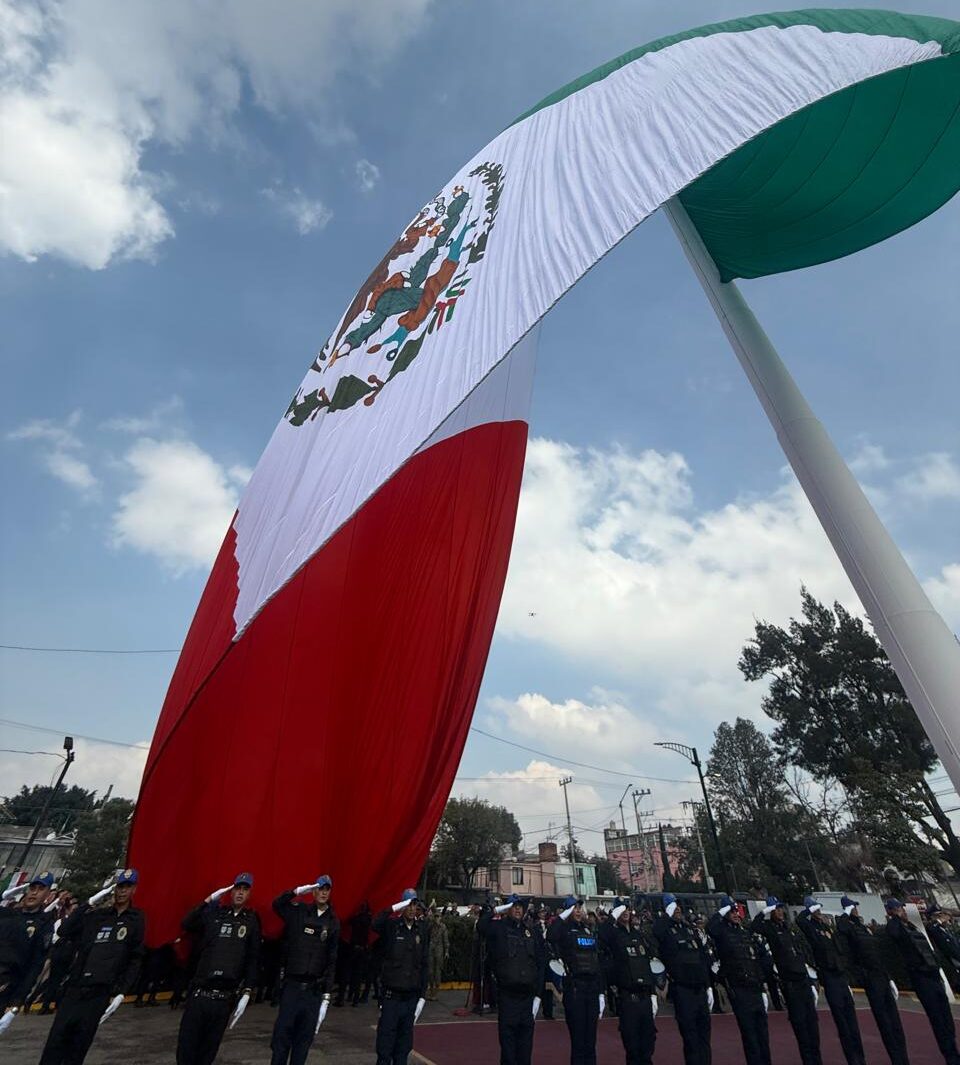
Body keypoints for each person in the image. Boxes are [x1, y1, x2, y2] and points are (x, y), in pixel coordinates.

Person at [37, 869, 145, 1065]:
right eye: (120, 886)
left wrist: (121, 991)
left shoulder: (136, 919)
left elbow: (135, 957)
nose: (122, 891)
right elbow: (64, 930)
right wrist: (88, 903)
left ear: (134, 890)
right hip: (75, 989)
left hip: (99, 993)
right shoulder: (98, 916)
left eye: (127, 887)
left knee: (78, 1049)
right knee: (55, 1044)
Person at [176, 871, 262, 1065]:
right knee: (186, 1051)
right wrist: (209, 899)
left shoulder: (251, 921)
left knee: (207, 1053)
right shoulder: (215, 915)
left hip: (224, 999)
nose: (240, 893)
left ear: (249, 894)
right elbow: (187, 923)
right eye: (237, 888)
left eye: (245, 889)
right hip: (200, 994)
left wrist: (248, 990)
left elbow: (253, 958)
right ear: (231, 892)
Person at [270, 874, 339, 1065]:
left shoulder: (333, 921)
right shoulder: (299, 911)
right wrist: (296, 891)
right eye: (320, 888)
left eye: (327, 889)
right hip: (292, 987)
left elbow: (332, 959)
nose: (323, 893)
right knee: (281, 1039)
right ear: (313, 891)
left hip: (313, 991)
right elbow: (277, 905)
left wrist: (326, 995)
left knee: (303, 1043)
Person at [885, 898, 960, 1065]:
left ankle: (954, 1050)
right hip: (921, 978)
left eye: (903, 909)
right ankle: (950, 1056)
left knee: (947, 1018)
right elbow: (894, 932)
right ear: (891, 911)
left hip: (932, 975)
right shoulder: (895, 927)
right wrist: (895, 916)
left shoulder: (911, 927)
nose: (903, 911)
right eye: (899, 909)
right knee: (938, 1020)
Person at [835, 894, 908, 1065]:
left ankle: (903, 1059)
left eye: (855, 907)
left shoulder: (863, 927)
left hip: (881, 975)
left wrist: (888, 977)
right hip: (870, 979)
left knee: (895, 1022)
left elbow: (876, 953)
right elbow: (842, 928)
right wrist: (845, 912)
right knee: (885, 1023)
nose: (856, 909)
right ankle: (896, 1058)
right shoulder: (847, 926)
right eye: (852, 907)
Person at [751, 896, 822, 1065]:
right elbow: (754, 926)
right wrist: (765, 911)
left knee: (813, 1027)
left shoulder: (787, 928)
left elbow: (799, 950)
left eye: (781, 908)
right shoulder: (769, 928)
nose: (780, 911)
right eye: (776, 909)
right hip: (791, 984)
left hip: (803, 980)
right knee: (802, 1029)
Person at [797, 895, 865, 1065]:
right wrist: (808, 910)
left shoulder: (826, 926)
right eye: (815, 909)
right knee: (842, 1022)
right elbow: (799, 920)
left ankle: (860, 1058)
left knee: (852, 1022)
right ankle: (852, 1058)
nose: (818, 911)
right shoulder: (810, 927)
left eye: (818, 908)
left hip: (841, 976)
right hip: (829, 976)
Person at [478, 893, 545, 1065]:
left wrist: (538, 994)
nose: (517, 909)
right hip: (508, 997)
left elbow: (539, 962)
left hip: (527, 998)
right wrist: (495, 909)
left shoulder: (531, 931)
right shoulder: (499, 928)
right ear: (507, 909)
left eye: (520, 906)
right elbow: (481, 926)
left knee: (525, 1048)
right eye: (514, 906)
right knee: (508, 1049)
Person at [707, 896, 771, 1065]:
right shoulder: (722, 932)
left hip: (755, 987)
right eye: (731, 911)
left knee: (763, 1035)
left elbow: (755, 959)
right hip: (739, 989)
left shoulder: (743, 933)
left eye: (736, 911)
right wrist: (722, 911)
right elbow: (710, 928)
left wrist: (763, 987)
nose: (735, 914)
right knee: (750, 1035)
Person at [652, 894, 712, 1065]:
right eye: (671, 906)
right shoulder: (664, 929)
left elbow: (702, 958)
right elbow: (657, 932)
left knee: (705, 1038)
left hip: (699, 989)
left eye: (677, 905)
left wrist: (708, 986)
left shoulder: (689, 930)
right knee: (691, 1039)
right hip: (683, 990)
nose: (676, 908)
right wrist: (667, 915)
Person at [372, 888, 430, 1065]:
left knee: (403, 1048)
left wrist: (422, 995)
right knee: (385, 1046)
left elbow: (424, 963)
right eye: (408, 904)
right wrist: (394, 908)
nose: (412, 909)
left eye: (414, 905)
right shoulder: (392, 926)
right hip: (392, 997)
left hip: (410, 997)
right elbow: (375, 924)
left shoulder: (422, 929)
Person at [598, 899, 658, 1065]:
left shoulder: (638, 935)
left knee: (648, 1041)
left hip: (645, 995)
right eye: (621, 909)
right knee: (632, 1045)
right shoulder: (614, 934)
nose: (625, 912)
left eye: (627, 909)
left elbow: (647, 963)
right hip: (628, 997)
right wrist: (612, 917)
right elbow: (602, 935)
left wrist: (653, 993)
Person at [548, 895, 603, 1065]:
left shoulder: (587, 930)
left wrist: (601, 991)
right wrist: (563, 916)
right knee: (578, 1040)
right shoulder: (563, 930)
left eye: (579, 908)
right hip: (575, 989)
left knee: (591, 1040)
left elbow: (596, 960)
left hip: (591, 988)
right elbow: (551, 936)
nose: (578, 911)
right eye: (574, 908)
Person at [0, 871, 55, 1021]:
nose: (34, 893)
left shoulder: (44, 925)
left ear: (48, 894)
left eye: (40, 889)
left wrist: (17, 1000)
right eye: (32, 888)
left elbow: (35, 966)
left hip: (5, 984)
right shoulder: (8, 914)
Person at [927, 906, 960, 992]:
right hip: (947, 960)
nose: (943, 917)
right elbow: (932, 929)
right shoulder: (933, 928)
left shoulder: (945, 930)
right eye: (939, 915)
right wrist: (939, 920)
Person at [427, 908, 449, 1000]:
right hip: (431, 949)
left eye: (438, 917)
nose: (437, 918)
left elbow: (446, 940)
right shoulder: (431, 926)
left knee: (437, 971)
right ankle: (431, 990)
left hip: (439, 950)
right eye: (435, 916)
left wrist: (447, 951)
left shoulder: (443, 927)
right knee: (430, 971)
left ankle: (436, 992)